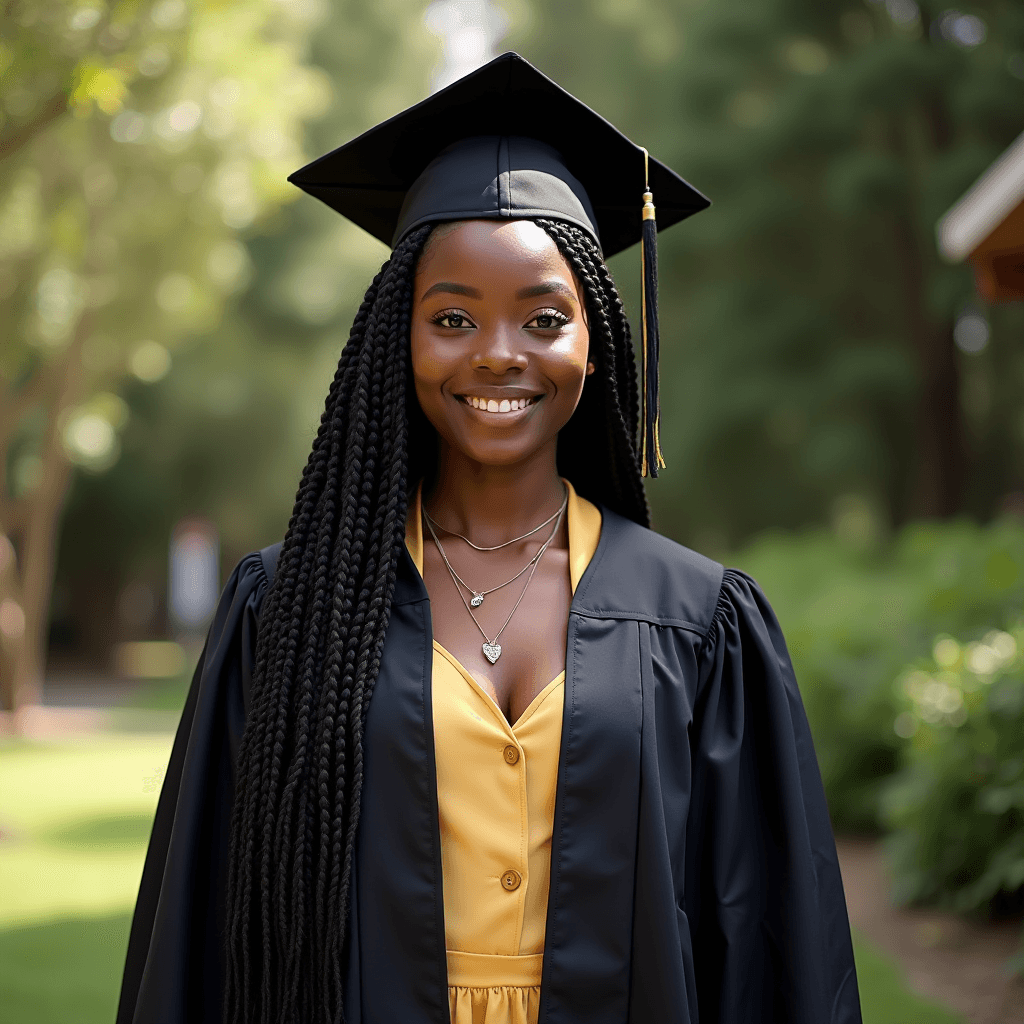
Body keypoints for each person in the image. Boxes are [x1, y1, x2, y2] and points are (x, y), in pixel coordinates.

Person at [117, 52, 862, 1024]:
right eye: (453, 317)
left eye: (544, 318)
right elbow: (206, 923)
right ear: (401, 339)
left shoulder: (699, 620)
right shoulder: (291, 607)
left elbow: (771, 936)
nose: (499, 352)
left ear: (595, 342)